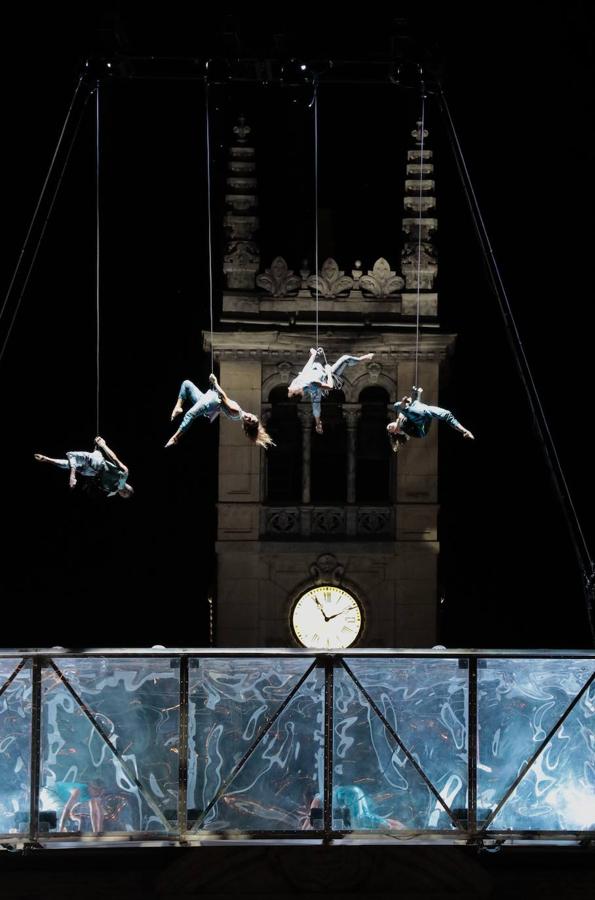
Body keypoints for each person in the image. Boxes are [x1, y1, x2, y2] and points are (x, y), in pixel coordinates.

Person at [165, 373, 274, 449]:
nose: (250, 418)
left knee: (190, 414)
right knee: (187, 384)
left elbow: (223, 397)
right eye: (252, 417)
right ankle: (178, 406)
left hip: (211, 400)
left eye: (250, 421)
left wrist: (215, 382)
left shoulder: (237, 412)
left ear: (246, 424)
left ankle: (176, 437)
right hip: (208, 399)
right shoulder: (238, 415)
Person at [288, 347, 374, 433]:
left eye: (290, 389)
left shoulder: (296, 383)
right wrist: (329, 371)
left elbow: (306, 367)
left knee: (315, 402)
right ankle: (363, 358)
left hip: (317, 372)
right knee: (344, 359)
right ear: (299, 391)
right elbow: (330, 386)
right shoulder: (312, 384)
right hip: (325, 377)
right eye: (292, 389)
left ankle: (318, 423)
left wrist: (313, 354)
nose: (290, 387)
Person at [34, 437, 133, 497]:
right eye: (125, 491)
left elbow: (98, 482)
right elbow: (114, 459)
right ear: (127, 488)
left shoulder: (111, 490)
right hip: (98, 463)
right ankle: (72, 476)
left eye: (123, 494)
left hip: (91, 472)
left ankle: (47, 459)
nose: (122, 492)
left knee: (69, 464)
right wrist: (103, 445)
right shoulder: (124, 474)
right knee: (73, 456)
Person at [387, 386, 474, 451]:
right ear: (395, 432)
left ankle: (465, 431)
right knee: (401, 408)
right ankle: (408, 402)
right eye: (390, 428)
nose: (390, 426)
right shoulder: (402, 429)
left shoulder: (404, 417)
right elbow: (402, 430)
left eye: (389, 425)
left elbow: (417, 405)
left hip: (424, 412)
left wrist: (417, 394)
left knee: (447, 414)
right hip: (420, 428)